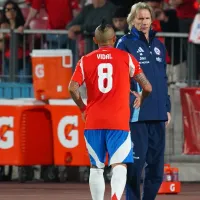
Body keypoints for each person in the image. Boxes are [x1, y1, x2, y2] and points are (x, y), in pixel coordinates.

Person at [68, 20, 152, 200]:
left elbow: (72, 88)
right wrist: (141, 98)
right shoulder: (126, 58)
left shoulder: (85, 61)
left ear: (95, 40)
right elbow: (147, 87)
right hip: (119, 122)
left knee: (96, 167)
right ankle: (115, 196)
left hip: (93, 121)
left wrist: (83, 108)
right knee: (119, 164)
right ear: (114, 39)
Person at [116, 2, 171, 200]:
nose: (144, 22)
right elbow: (118, 78)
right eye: (140, 18)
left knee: (156, 169)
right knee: (135, 166)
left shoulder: (159, 45)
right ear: (132, 20)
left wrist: (167, 107)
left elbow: (163, 78)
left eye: (147, 18)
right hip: (136, 114)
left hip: (157, 113)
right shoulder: (124, 44)